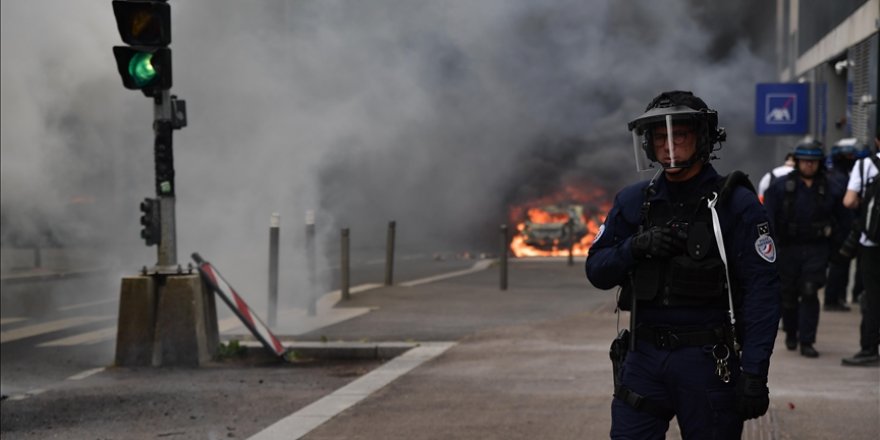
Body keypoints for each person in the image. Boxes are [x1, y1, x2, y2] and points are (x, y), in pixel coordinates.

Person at [586, 90, 780, 439]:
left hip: (707, 360)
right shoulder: (634, 202)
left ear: (703, 138)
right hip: (643, 358)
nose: (668, 145)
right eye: (660, 136)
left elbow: (762, 291)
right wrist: (634, 247)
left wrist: (754, 372)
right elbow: (596, 270)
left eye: (679, 135)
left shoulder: (735, 203)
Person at [763, 140, 852, 358]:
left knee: (810, 291)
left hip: (817, 248)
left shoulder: (831, 187)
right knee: (788, 296)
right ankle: (791, 333)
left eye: (813, 162)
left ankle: (807, 340)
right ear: (797, 162)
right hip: (787, 248)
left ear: (819, 163)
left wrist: (841, 249)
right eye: (805, 161)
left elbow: (844, 220)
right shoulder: (780, 186)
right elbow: (768, 218)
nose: (809, 166)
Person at [841, 135, 880, 367]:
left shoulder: (865, 165)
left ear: (877, 141)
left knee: (873, 298)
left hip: (871, 242)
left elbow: (848, 201)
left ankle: (868, 348)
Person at [823, 140, 860, 311]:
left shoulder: (843, 175)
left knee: (841, 265)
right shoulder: (838, 178)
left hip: (843, 227)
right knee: (839, 265)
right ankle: (833, 299)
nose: (852, 158)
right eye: (849, 156)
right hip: (839, 229)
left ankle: (839, 297)